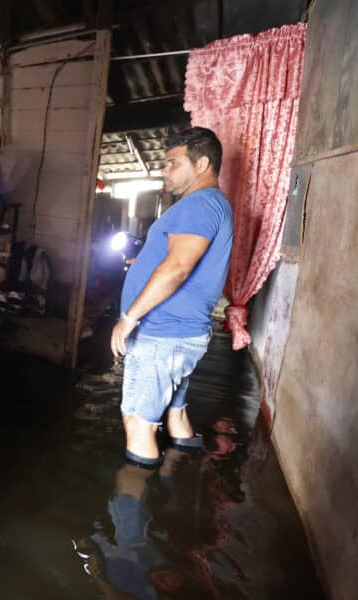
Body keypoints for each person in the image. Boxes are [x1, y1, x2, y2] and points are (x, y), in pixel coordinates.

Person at [110, 127, 233, 466]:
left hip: (163, 335)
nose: (165, 171)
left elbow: (178, 267)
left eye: (172, 163)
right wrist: (145, 265)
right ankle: (180, 476)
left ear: (202, 163)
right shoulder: (211, 205)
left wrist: (128, 319)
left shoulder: (199, 204)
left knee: (138, 424)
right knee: (175, 411)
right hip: (180, 335)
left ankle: (132, 507)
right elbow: (176, 259)